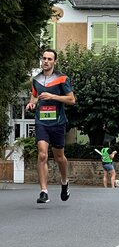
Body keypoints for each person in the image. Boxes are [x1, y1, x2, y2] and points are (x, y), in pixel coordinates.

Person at [26, 48, 75, 203]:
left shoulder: (62, 79)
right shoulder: (36, 80)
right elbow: (34, 97)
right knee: (42, 154)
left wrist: (52, 96)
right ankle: (44, 192)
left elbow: (71, 100)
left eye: (49, 59)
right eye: (44, 58)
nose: (46, 61)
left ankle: (64, 181)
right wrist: (31, 104)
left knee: (59, 157)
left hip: (58, 122)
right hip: (42, 122)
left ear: (55, 61)